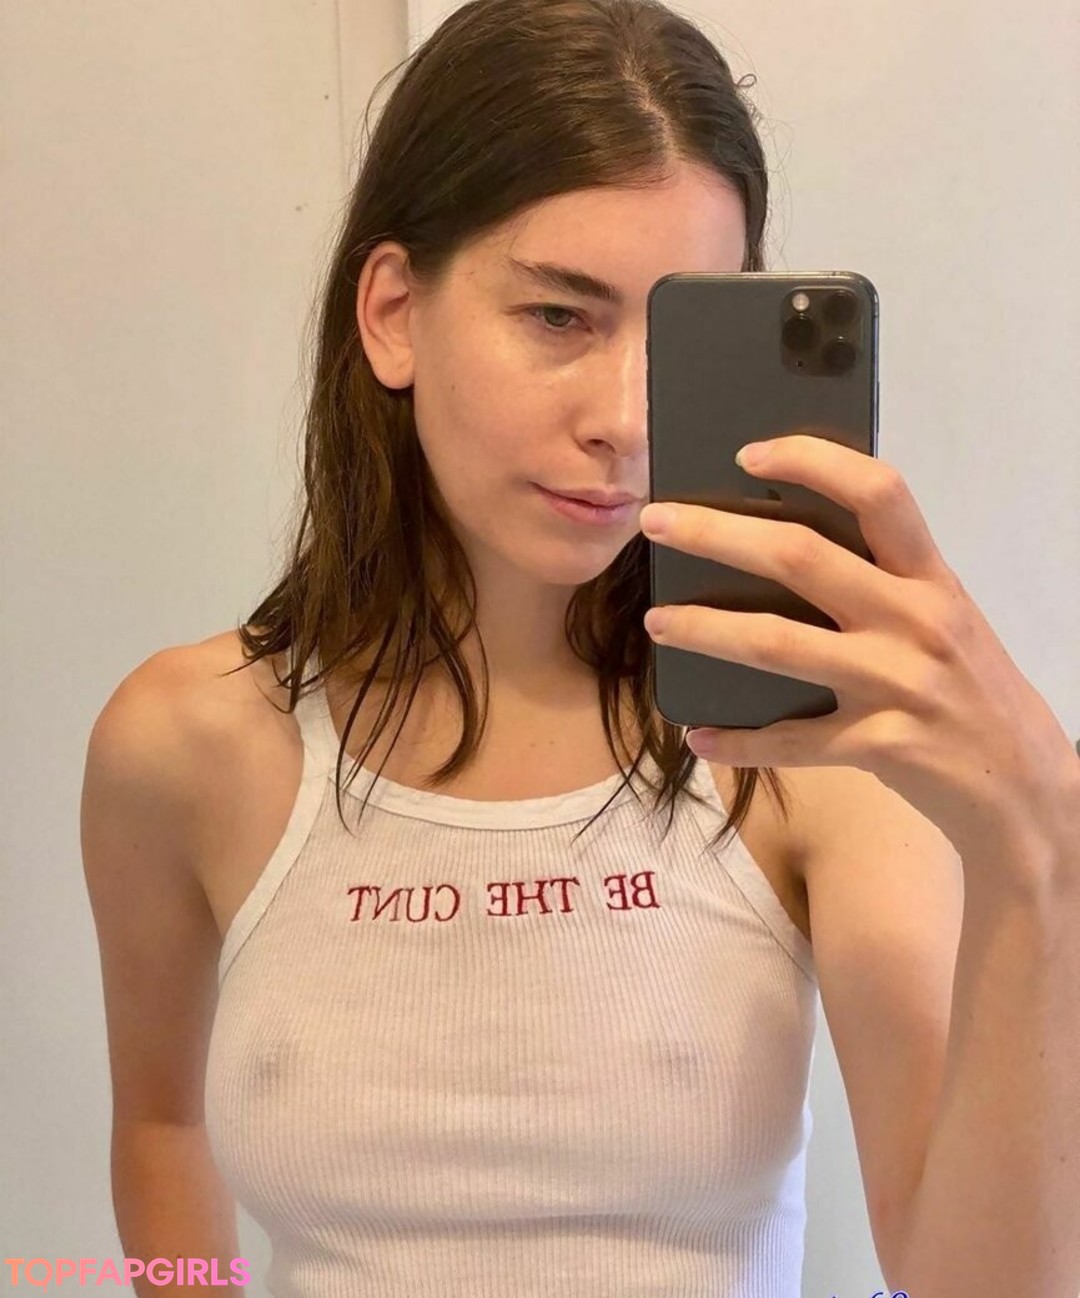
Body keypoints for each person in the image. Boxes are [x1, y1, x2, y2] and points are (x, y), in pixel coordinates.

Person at [86, 1, 1079, 1295]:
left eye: (677, 337)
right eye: (561, 315)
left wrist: (1043, 847)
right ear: (393, 312)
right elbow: (161, 1127)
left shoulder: (805, 744)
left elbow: (979, 1282)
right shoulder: (186, 742)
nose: (625, 418)